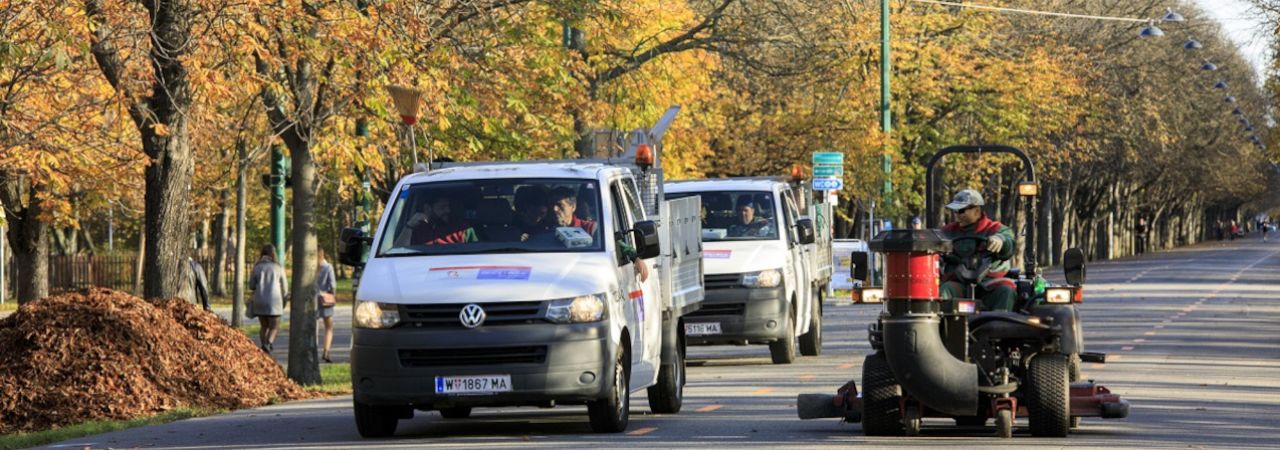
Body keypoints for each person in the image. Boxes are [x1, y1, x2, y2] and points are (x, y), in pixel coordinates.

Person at [938, 189, 1018, 312]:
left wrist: (1000, 240)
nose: (957, 215)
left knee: (1006, 291)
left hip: (990, 283)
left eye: (961, 211)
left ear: (976, 211)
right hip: (960, 283)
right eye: (955, 211)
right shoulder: (947, 232)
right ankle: (945, 328)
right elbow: (933, 242)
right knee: (945, 289)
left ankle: (999, 326)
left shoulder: (995, 229)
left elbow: (1008, 242)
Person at [248, 244, 288, 353]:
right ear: (273, 254)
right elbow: (284, 287)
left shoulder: (257, 267)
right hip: (274, 302)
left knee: (264, 326)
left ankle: (263, 346)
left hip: (260, 301)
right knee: (274, 326)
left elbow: (251, 285)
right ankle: (268, 343)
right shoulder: (278, 267)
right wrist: (285, 299)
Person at [395, 194, 477, 246]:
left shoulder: (462, 229)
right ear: (427, 208)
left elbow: (476, 255)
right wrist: (409, 227)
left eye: (448, 206)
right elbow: (398, 253)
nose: (448, 211)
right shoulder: (416, 229)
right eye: (442, 207)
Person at [315, 248, 337, 363]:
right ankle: (326, 351)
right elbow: (332, 285)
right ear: (323, 255)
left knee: (315, 327)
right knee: (328, 327)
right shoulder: (328, 267)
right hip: (326, 300)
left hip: (314, 299)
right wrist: (333, 296)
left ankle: (313, 349)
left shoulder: (312, 268)